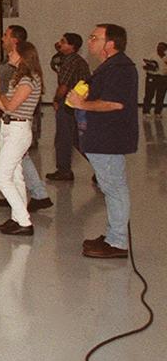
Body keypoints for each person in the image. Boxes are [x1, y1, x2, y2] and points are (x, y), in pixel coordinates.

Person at [69, 24, 138, 259]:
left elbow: (116, 103)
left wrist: (82, 104)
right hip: (101, 137)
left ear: (110, 43)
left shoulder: (120, 69)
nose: (89, 41)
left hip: (110, 138)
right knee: (110, 188)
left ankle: (117, 243)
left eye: (94, 37)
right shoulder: (109, 67)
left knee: (114, 188)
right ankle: (113, 235)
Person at [0, 42, 45, 236]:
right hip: (9, 127)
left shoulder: (27, 81)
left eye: (13, 52)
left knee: (2, 178)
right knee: (15, 175)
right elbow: (5, 101)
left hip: (18, 129)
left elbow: (9, 106)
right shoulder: (19, 77)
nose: (9, 54)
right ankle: (17, 218)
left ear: (23, 56)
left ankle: (24, 220)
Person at [0, 25, 52, 213]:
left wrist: (0, 97)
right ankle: (23, 206)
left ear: (16, 42)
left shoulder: (22, 75)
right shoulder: (10, 65)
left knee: (6, 173)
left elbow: (10, 102)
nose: (3, 38)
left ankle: (28, 208)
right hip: (11, 122)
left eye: (6, 35)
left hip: (18, 122)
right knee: (18, 166)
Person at [47, 32, 90, 181]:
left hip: (69, 105)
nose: (60, 44)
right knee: (76, 139)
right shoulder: (74, 60)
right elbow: (54, 64)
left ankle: (64, 170)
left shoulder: (70, 62)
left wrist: (56, 99)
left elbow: (64, 85)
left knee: (64, 138)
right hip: (77, 104)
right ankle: (100, 167)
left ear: (72, 46)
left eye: (63, 42)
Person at [141, 41, 167, 115]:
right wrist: (150, 66)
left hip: (163, 78)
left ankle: (158, 112)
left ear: (165, 49)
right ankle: (146, 111)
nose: (159, 49)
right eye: (158, 47)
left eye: (161, 48)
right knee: (149, 94)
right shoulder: (152, 55)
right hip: (152, 77)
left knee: (161, 95)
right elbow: (144, 65)